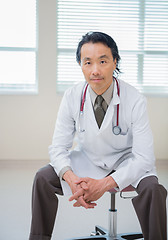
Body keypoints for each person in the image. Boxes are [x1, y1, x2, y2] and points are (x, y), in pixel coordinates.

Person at [29, 32, 167, 240]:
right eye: (88, 62)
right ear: (80, 65)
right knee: (43, 178)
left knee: (154, 190)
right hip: (88, 159)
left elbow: (144, 158)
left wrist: (104, 184)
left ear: (115, 62)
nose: (95, 70)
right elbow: (58, 148)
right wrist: (72, 179)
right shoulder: (72, 96)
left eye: (103, 61)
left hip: (126, 161)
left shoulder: (134, 99)